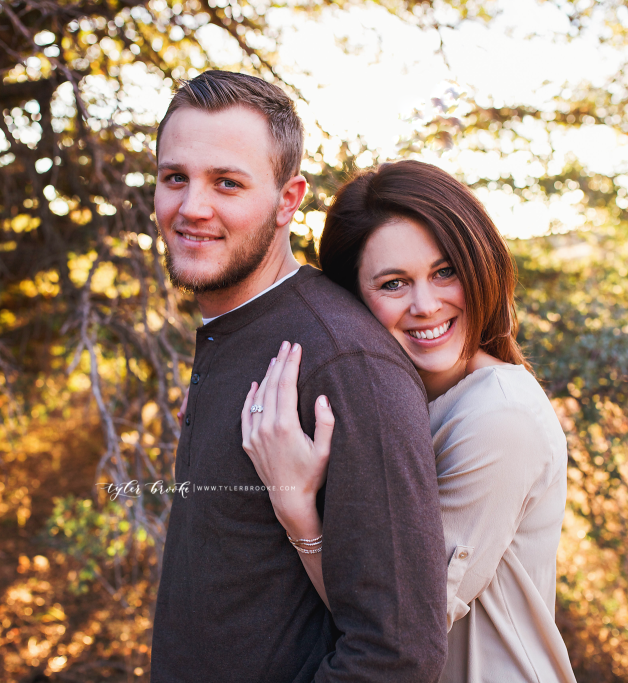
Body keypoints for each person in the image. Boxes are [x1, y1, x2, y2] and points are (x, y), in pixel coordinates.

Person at [149, 72, 448, 681]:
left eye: (227, 183)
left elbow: (397, 654)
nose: (191, 207)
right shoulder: (235, 329)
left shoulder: (344, 363)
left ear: (289, 200)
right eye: (174, 177)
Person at [242, 160, 577, 682]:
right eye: (395, 283)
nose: (426, 305)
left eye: (445, 272)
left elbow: (400, 625)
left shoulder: (498, 417)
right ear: (354, 301)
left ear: (480, 266)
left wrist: (297, 510)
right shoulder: (394, 402)